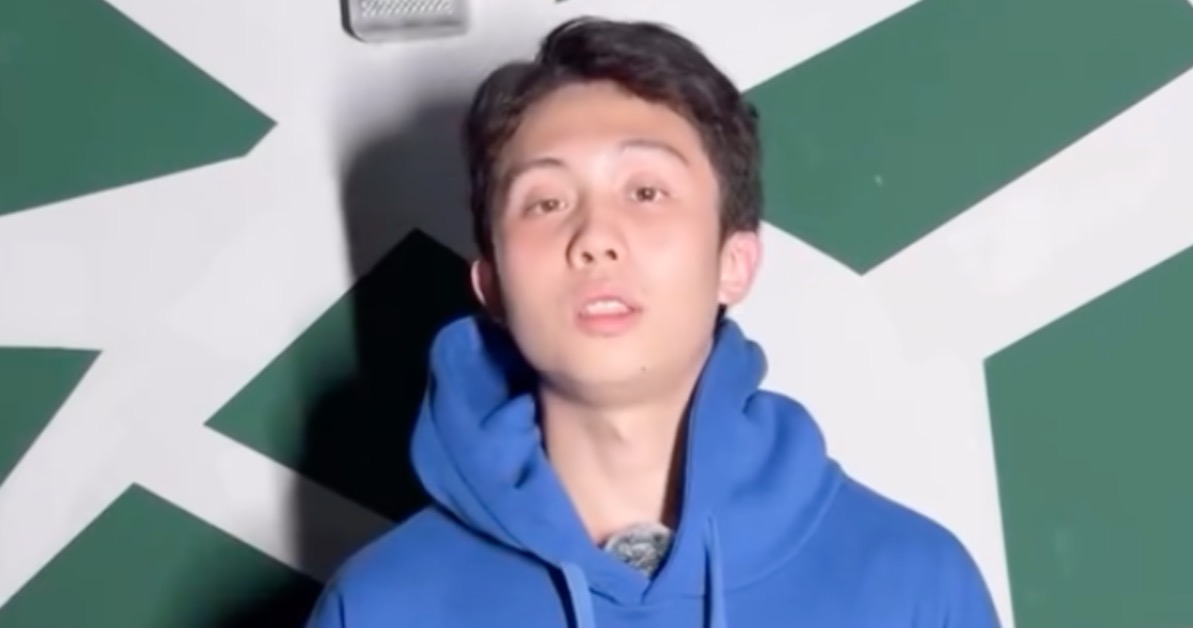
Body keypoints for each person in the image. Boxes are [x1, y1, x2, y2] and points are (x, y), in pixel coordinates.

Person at [305, 16, 1001, 628]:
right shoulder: (379, 606)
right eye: (546, 202)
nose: (595, 237)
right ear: (491, 284)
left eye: (645, 191)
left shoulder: (914, 585)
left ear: (734, 262)